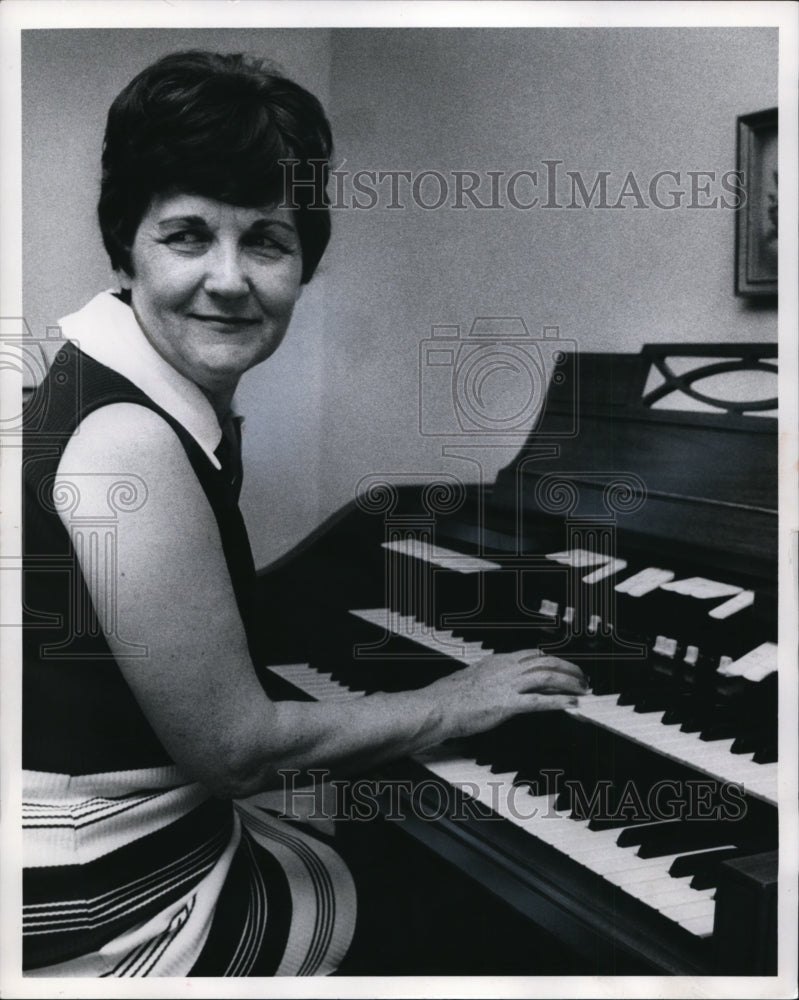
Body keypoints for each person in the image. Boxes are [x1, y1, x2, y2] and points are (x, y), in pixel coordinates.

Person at [22, 49, 586, 977]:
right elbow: (237, 753)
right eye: (189, 235)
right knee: (457, 911)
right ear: (126, 241)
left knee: (364, 838)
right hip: (101, 897)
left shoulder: (116, 375)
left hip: (78, 829)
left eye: (269, 241)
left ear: (304, 262)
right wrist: (447, 700)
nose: (232, 279)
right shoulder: (128, 438)